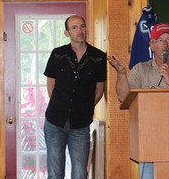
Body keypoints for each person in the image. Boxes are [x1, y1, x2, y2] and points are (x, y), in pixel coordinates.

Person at [43, 15, 107, 178]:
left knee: (79, 173)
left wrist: (84, 107)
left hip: (80, 124)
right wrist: (61, 105)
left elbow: (99, 89)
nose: (80, 30)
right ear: (66, 32)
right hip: (55, 122)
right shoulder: (58, 54)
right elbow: (51, 84)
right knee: (55, 173)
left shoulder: (98, 57)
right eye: (74, 27)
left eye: (82, 26)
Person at [108, 22, 169, 179]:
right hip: (149, 141)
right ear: (152, 45)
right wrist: (121, 74)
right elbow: (123, 96)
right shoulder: (141, 69)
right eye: (161, 40)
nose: (166, 44)